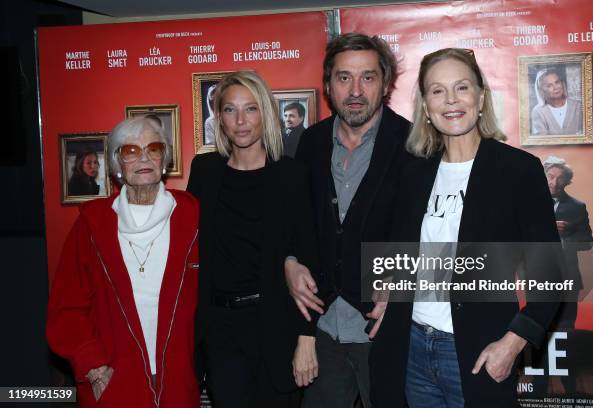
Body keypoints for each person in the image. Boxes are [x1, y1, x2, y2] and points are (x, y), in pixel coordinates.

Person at [370, 48, 561, 408]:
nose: (451, 100)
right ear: (426, 105)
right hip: (411, 348)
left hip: (476, 353)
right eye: (437, 91)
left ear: (481, 97)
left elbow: (548, 276)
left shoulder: (517, 171)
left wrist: (513, 343)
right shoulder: (413, 172)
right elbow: (402, 251)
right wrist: (388, 293)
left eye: (462, 87)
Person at [284, 32, 413, 408]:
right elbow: (294, 224)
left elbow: (430, 228)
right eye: (344, 78)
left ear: (386, 83)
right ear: (328, 85)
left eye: (368, 77)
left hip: (384, 329)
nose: (355, 90)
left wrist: (404, 280)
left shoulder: (414, 143)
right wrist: (288, 263)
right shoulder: (308, 143)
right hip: (322, 329)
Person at [47, 117, 200, 407]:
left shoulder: (192, 216)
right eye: (130, 151)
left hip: (179, 383)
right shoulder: (91, 224)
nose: (143, 157)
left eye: (153, 148)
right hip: (115, 383)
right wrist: (91, 363)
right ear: (117, 164)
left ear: (164, 159)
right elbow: (65, 309)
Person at [187, 71, 319, 407]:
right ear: (219, 118)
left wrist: (306, 337)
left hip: (276, 326)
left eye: (251, 109)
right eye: (230, 110)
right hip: (220, 331)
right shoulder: (205, 172)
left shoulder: (291, 175)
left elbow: (309, 258)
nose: (241, 121)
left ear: (266, 113)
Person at [544, 155, 593, 328]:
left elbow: (588, 243)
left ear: (567, 182)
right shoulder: (527, 203)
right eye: (550, 176)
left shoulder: (577, 207)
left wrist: (566, 237)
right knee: (538, 325)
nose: (555, 183)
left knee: (566, 324)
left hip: (568, 276)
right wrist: (548, 227)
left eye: (560, 178)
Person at [531, 67, 583, 136]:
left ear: (562, 83)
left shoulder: (578, 106)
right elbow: (541, 141)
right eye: (549, 86)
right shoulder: (538, 111)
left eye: (557, 82)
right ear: (541, 90)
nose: (556, 88)